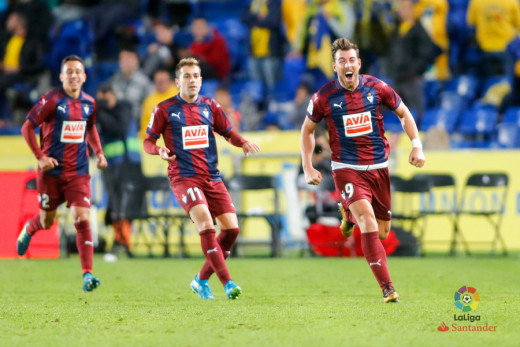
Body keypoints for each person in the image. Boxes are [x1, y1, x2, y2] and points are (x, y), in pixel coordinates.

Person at [300, 38, 426, 303]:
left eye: (351, 60)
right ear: (335, 66)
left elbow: (404, 114)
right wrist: (308, 166)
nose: (348, 65)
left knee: (381, 233)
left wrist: (417, 146)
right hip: (347, 168)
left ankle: (347, 213)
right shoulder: (323, 97)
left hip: (379, 168)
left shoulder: (377, 88)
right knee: (367, 222)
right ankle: (388, 288)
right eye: (342, 61)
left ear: (359, 63)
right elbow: (307, 130)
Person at [143, 57, 260, 300]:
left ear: (201, 80)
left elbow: (228, 132)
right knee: (206, 224)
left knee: (231, 231)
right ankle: (227, 283)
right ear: (177, 81)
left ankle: (200, 280)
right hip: (184, 178)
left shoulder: (210, 106)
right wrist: (159, 150)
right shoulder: (164, 109)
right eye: (186, 76)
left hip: (212, 177)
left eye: (195, 76)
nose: (192, 80)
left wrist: (244, 143)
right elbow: (147, 141)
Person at [17, 55, 107, 292]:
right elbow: (27, 126)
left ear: (84, 76)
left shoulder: (89, 103)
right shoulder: (51, 100)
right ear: (62, 76)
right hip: (51, 173)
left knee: (82, 217)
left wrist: (98, 153)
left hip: (78, 171)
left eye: (78, 71)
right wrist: (40, 157)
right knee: (47, 221)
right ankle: (30, 228)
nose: (74, 75)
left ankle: (87, 274)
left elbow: (90, 128)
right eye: (69, 71)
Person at [96, 83, 140, 258]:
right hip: (111, 165)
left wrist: (99, 111)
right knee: (114, 203)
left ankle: (123, 240)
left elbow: (119, 128)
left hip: (128, 163)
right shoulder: (105, 113)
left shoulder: (124, 107)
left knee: (126, 204)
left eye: (103, 99)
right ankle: (119, 239)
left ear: (111, 95)